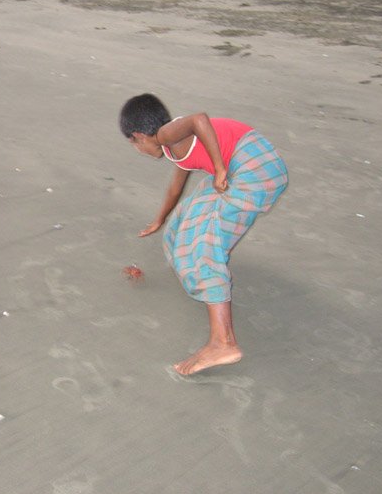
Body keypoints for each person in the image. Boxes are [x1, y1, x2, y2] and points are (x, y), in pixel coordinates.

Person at [119, 93, 288, 375]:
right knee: (183, 224)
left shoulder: (166, 133)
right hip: (248, 164)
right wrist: (160, 220)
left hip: (254, 170)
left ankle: (223, 342)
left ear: (139, 136)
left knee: (201, 247)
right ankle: (214, 271)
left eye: (134, 145)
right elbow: (175, 188)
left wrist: (220, 168)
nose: (139, 150)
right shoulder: (174, 145)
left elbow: (200, 119)